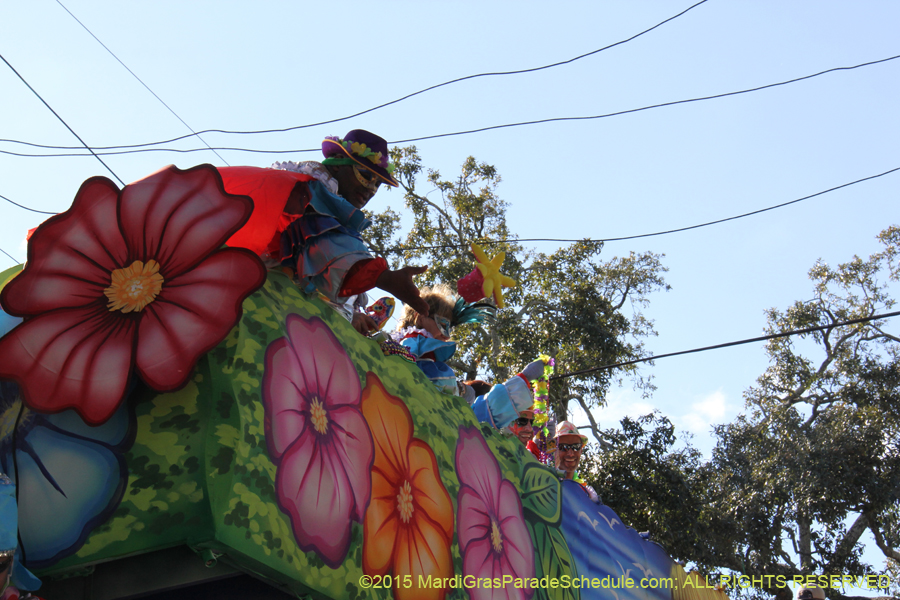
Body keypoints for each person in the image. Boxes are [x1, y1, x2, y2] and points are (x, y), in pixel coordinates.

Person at [219, 129, 429, 334]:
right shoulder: (308, 194)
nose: (370, 190)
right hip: (259, 310)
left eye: (378, 184)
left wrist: (353, 314)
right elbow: (328, 253)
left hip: (291, 318)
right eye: (365, 175)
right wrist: (383, 278)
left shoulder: (334, 210)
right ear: (338, 162)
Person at [554, 421, 600, 503]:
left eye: (576, 447)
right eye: (563, 447)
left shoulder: (586, 493)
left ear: (581, 450)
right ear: (554, 450)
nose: (571, 453)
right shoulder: (546, 483)